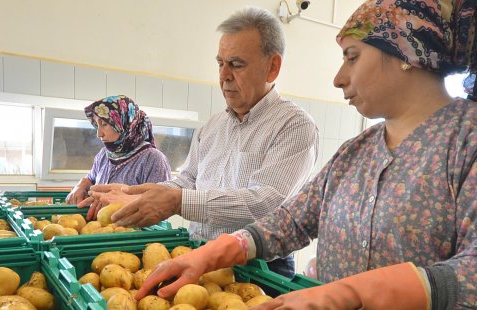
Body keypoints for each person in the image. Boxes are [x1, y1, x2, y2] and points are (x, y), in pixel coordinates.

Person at [133, 0, 477, 308]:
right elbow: (290, 221)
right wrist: (208, 255)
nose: (338, 78)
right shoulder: (357, 152)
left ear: (407, 54)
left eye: (352, 57)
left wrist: (347, 292)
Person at [81, 7, 319, 281]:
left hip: (258, 269)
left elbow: (265, 203)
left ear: (272, 67)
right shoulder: (212, 127)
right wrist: (140, 194)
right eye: (220, 63)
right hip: (198, 257)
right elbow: (187, 181)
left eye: (237, 64)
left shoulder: (294, 126)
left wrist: (177, 201)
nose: (224, 75)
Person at [67, 95, 171, 220]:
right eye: (96, 125)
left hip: (132, 233)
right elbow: (91, 179)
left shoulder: (153, 159)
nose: (98, 133)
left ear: (124, 123)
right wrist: (82, 184)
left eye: (104, 124)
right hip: (100, 229)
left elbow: (160, 207)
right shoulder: (103, 155)